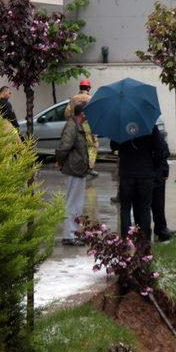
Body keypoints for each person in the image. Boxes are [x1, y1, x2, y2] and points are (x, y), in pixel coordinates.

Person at [111, 125, 164, 241]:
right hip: (145, 173)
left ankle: (126, 240)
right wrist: (153, 166)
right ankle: (143, 241)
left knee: (125, 208)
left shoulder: (121, 125)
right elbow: (160, 148)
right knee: (144, 208)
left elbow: (113, 146)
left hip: (127, 173)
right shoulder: (149, 125)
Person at [55, 103, 89, 246]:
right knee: (72, 203)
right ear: (83, 114)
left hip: (78, 169)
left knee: (77, 204)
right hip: (73, 169)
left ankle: (73, 233)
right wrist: (60, 161)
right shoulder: (72, 125)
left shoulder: (77, 125)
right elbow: (64, 146)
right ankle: (69, 235)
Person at [65, 79, 99, 177]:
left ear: (80, 88)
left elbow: (67, 113)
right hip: (88, 126)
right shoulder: (91, 98)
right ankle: (90, 168)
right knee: (93, 146)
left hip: (76, 125)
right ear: (88, 88)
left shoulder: (73, 99)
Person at [152, 132, 175, 242]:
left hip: (153, 173)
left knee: (155, 204)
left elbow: (165, 151)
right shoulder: (153, 131)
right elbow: (164, 151)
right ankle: (161, 229)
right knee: (157, 203)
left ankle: (160, 228)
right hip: (154, 174)